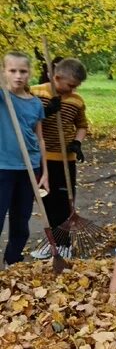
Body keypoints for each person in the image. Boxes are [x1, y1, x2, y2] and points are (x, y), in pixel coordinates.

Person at [30, 58, 88, 260]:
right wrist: (44, 112)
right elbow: (26, 121)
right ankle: (51, 243)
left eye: (76, 86)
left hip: (66, 159)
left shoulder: (76, 100)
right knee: (47, 201)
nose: (73, 89)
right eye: (70, 85)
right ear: (56, 77)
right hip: (42, 159)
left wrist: (77, 143)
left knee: (64, 203)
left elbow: (82, 125)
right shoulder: (35, 93)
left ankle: (63, 245)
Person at [0, 51, 49, 266]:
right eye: (12, 71)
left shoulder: (35, 103)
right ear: (4, 72)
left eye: (23, 71)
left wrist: (45, 172)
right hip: (3, 167)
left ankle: (13, 260)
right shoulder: (2, 97)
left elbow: (40, 139)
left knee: (21, 220)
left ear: (30, 74)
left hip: (30, 167)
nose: (18, 76)